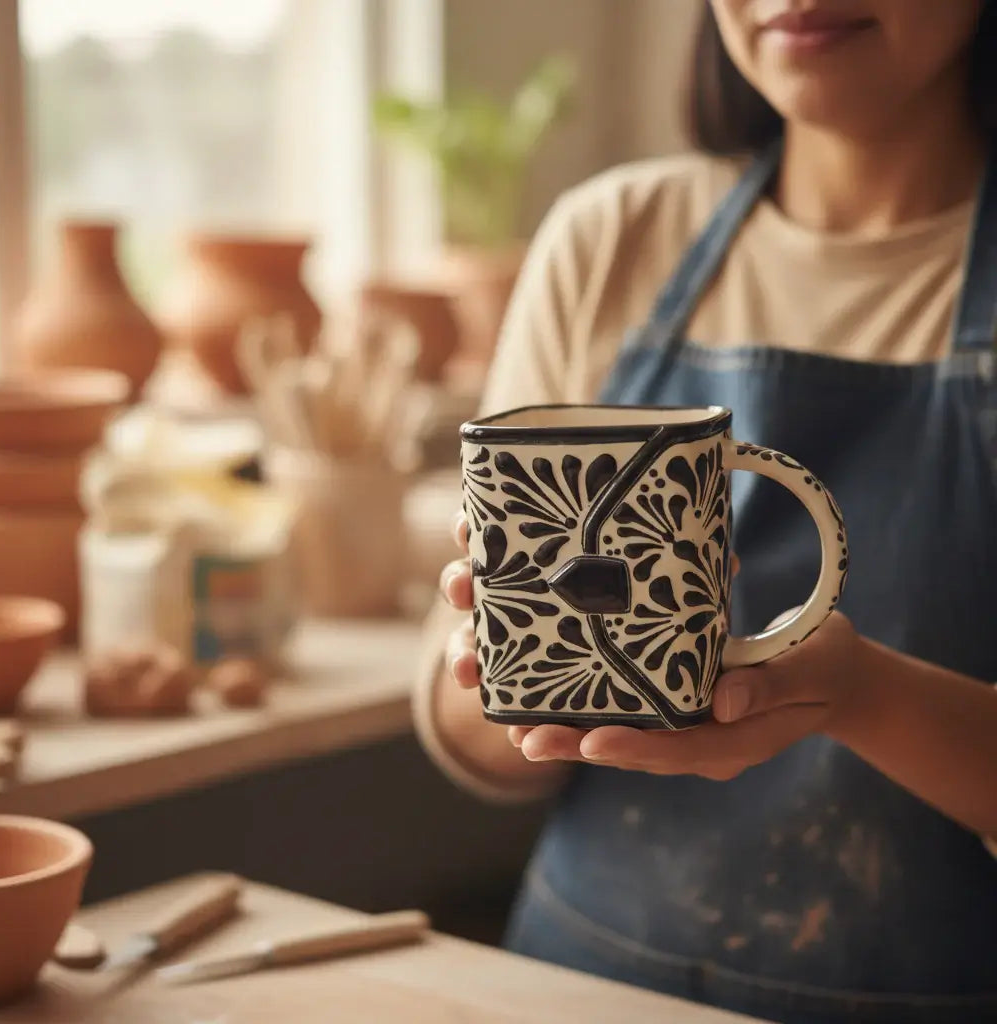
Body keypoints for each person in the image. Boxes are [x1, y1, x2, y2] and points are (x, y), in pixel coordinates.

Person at [413, 3, 997, 1022]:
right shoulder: (612, 237)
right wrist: (505, 668)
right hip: (577, 987)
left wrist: (861, 695)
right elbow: (466, 730)